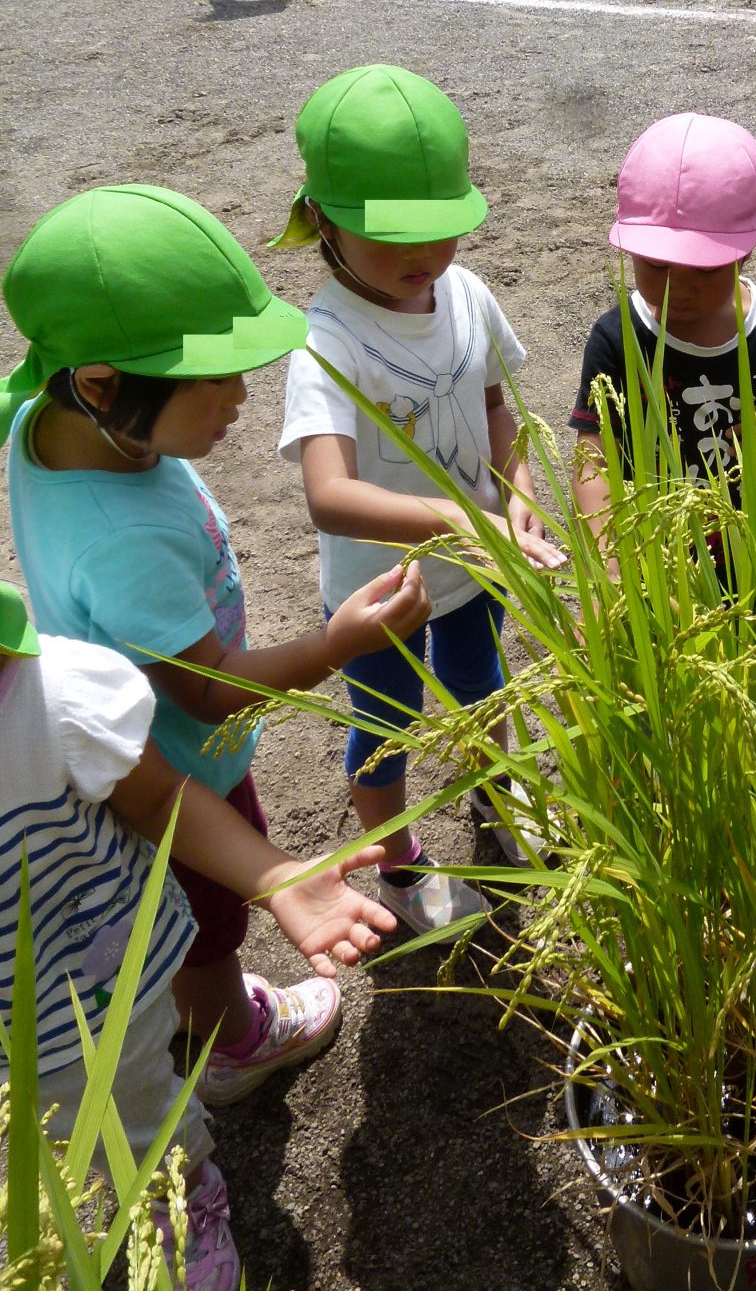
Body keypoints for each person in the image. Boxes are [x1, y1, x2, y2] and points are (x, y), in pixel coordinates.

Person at [0, 184, 430, 1106]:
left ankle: (210, 1011)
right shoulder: (123, 539)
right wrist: (337, 643)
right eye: (213, 378)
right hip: (174, 765)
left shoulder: (50, 422)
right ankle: (232, 1040)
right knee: (204, 923)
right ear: (101, 383)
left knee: (194, 913)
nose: (241, 396)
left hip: (156, 745)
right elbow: (211, 689)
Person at [0, 581, 397, 1291]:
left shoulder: (49, 693)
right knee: (112, 1131)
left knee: (142, 1088)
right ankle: (174, 1197)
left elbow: (158, 796)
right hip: (38, 1037)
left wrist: (277, 877)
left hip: (104, 980)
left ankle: (185, 1177)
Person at [277, 65, 563, 935]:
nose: (424, 257)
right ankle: (400, 868)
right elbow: (330, 496)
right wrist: (461, 517)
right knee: (387, 724)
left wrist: (515, 490)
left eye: (441, 232)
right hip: (379, 589)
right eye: (392, 239)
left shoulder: (466, 294)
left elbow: (494, 404)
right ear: (323, 221)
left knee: (484, 687)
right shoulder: (327, 342)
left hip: (474, 565)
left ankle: (495, 795)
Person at [569, 111, 756, 530]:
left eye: (705, 270)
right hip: (654, 554)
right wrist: (608, 553)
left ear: (748, 248)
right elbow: (592, 459)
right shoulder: (617, 339)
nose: (678, 289)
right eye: (656, 265)